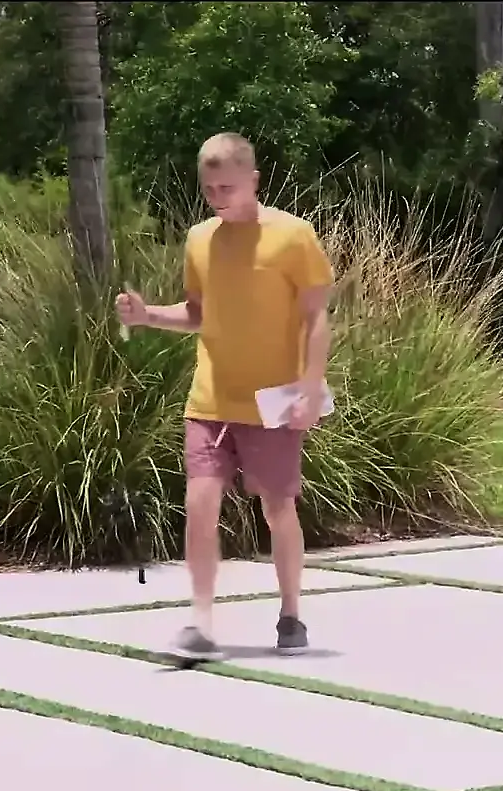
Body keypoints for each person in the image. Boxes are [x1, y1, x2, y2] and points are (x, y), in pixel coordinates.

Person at [114, 132, 334, 662]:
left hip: (273, 400)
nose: (217, 197)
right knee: (200, 502)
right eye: (209, 188)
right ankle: (201, 623)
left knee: (278, 507)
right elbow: (198, 313)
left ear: (253, 181)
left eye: (227, 187)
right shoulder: (199, 240)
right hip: (211, 398)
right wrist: (147, 315)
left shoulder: (293, 236)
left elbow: (316, 317)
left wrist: (310, 388)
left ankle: (291, 614)